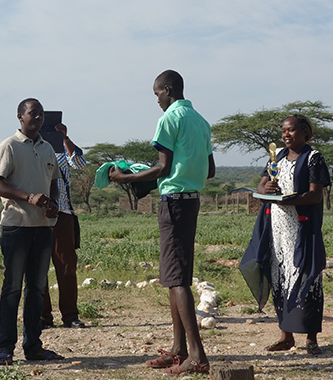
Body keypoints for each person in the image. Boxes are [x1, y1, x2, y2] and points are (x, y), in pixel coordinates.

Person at [109, 69, 214, 376]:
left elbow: (161, 168)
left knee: (178, 279)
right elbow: (209, 170)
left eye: (157, 94)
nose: (157, 100)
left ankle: (197, 356)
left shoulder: (169, 119)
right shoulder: (201, 122)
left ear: (167, 90)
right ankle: (178, 349)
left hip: (174, 204)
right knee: (173, 277)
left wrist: (124, 177)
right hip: (191, 200)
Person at [0, 98, 65, 365]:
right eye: (33, 113)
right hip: (16, 227)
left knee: (37, 289)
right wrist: (28, 197)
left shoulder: (47, 149)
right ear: (20, 117)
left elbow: (54, 180)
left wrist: (53, 203)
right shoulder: (9, 146)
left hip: (43, 228)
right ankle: (5, 350)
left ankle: (33, 346)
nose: (39, 118)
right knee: (12, 288)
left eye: (41, 114)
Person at [246, 114, 330, 356]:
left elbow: (315, 195)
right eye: (283, 131)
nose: (286, 135)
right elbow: (261, 187)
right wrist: (267, 189)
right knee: (280, 278)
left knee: (307, 278)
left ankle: (311, 338)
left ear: (305, 132)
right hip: (277, 229)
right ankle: (286, 336)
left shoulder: (313, 158)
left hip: (301, 229)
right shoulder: (278, 156)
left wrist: (292, 199)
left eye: (291, 130)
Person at [41, 123, 87, 329]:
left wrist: (65, 139)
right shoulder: (32, 152)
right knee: (38, 268)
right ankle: (43, 317)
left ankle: (70, 316)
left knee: (67, 267)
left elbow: (79, 162)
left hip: (63, 216)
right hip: (37, 217)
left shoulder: (61, 153)